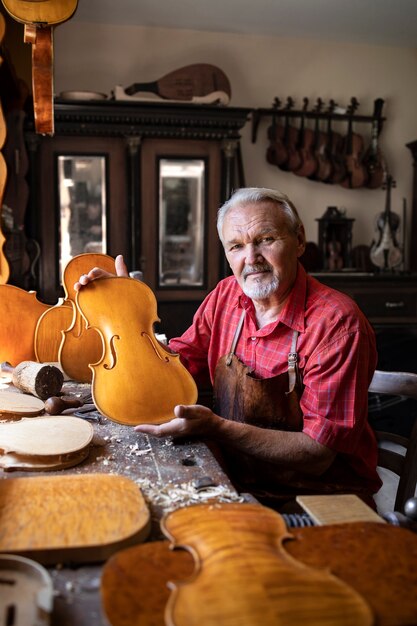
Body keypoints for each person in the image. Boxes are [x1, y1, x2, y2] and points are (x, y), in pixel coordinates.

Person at [75, 187, 381, 510]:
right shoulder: (226, 297)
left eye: (265, 239)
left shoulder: (337, 325)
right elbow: (171, 371)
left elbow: (318, 454)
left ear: (300, 240)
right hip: (239, 483)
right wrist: (125, 312)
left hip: (322, 501)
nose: (251, 259)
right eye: (237, 246)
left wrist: (218, 429)